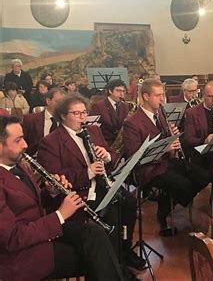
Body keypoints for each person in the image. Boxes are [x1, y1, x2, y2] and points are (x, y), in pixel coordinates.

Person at [0, 115, 126, 280]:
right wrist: (60, 215)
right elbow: (13, 239)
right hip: (20, 255)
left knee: (93, 232)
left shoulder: (17, 166)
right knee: (97, 256)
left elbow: (33, 203)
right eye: (18, 140)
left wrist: (52, 191)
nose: (26, 145)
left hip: (39, 232)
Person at [37, 93, 146, 271]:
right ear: (63, 116)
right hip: (78, 195)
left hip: (101, 185)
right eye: (77, 114)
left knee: (129, 202)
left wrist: (107, 156)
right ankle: (114, 264)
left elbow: (113, 156)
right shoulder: (50, 142)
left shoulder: (93, 131)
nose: (83, 118)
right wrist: (87, 172)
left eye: (84, 113)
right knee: (110, 213)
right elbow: (55, 178)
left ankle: (124, 250)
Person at [122, 79, 207, 236]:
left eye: (163, 95)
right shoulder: (132, 123)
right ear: (146, 96)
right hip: (148, 169)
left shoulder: (160, 113)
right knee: (183, 185)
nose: (162, 99)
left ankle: (168, 201)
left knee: (202, 176)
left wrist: (172, 136)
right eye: (158, 95)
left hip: (166, 162)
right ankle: (164, 213)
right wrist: (165, 148)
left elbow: (166, 141)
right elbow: (134, 155)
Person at [22, 87, 65, 156]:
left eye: (64, 103)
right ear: (48, 101)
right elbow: (20, 143)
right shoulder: (30, 120)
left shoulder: (67, 121)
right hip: (35, 159)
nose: (61, 106)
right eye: (58, 102)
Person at [89, 79, 129, 146]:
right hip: (105, 143)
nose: (122, 94)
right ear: (110, 91)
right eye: (118, 90)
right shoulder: (98, 106)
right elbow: (93, 129)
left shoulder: (124, 106)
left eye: (123, 91)